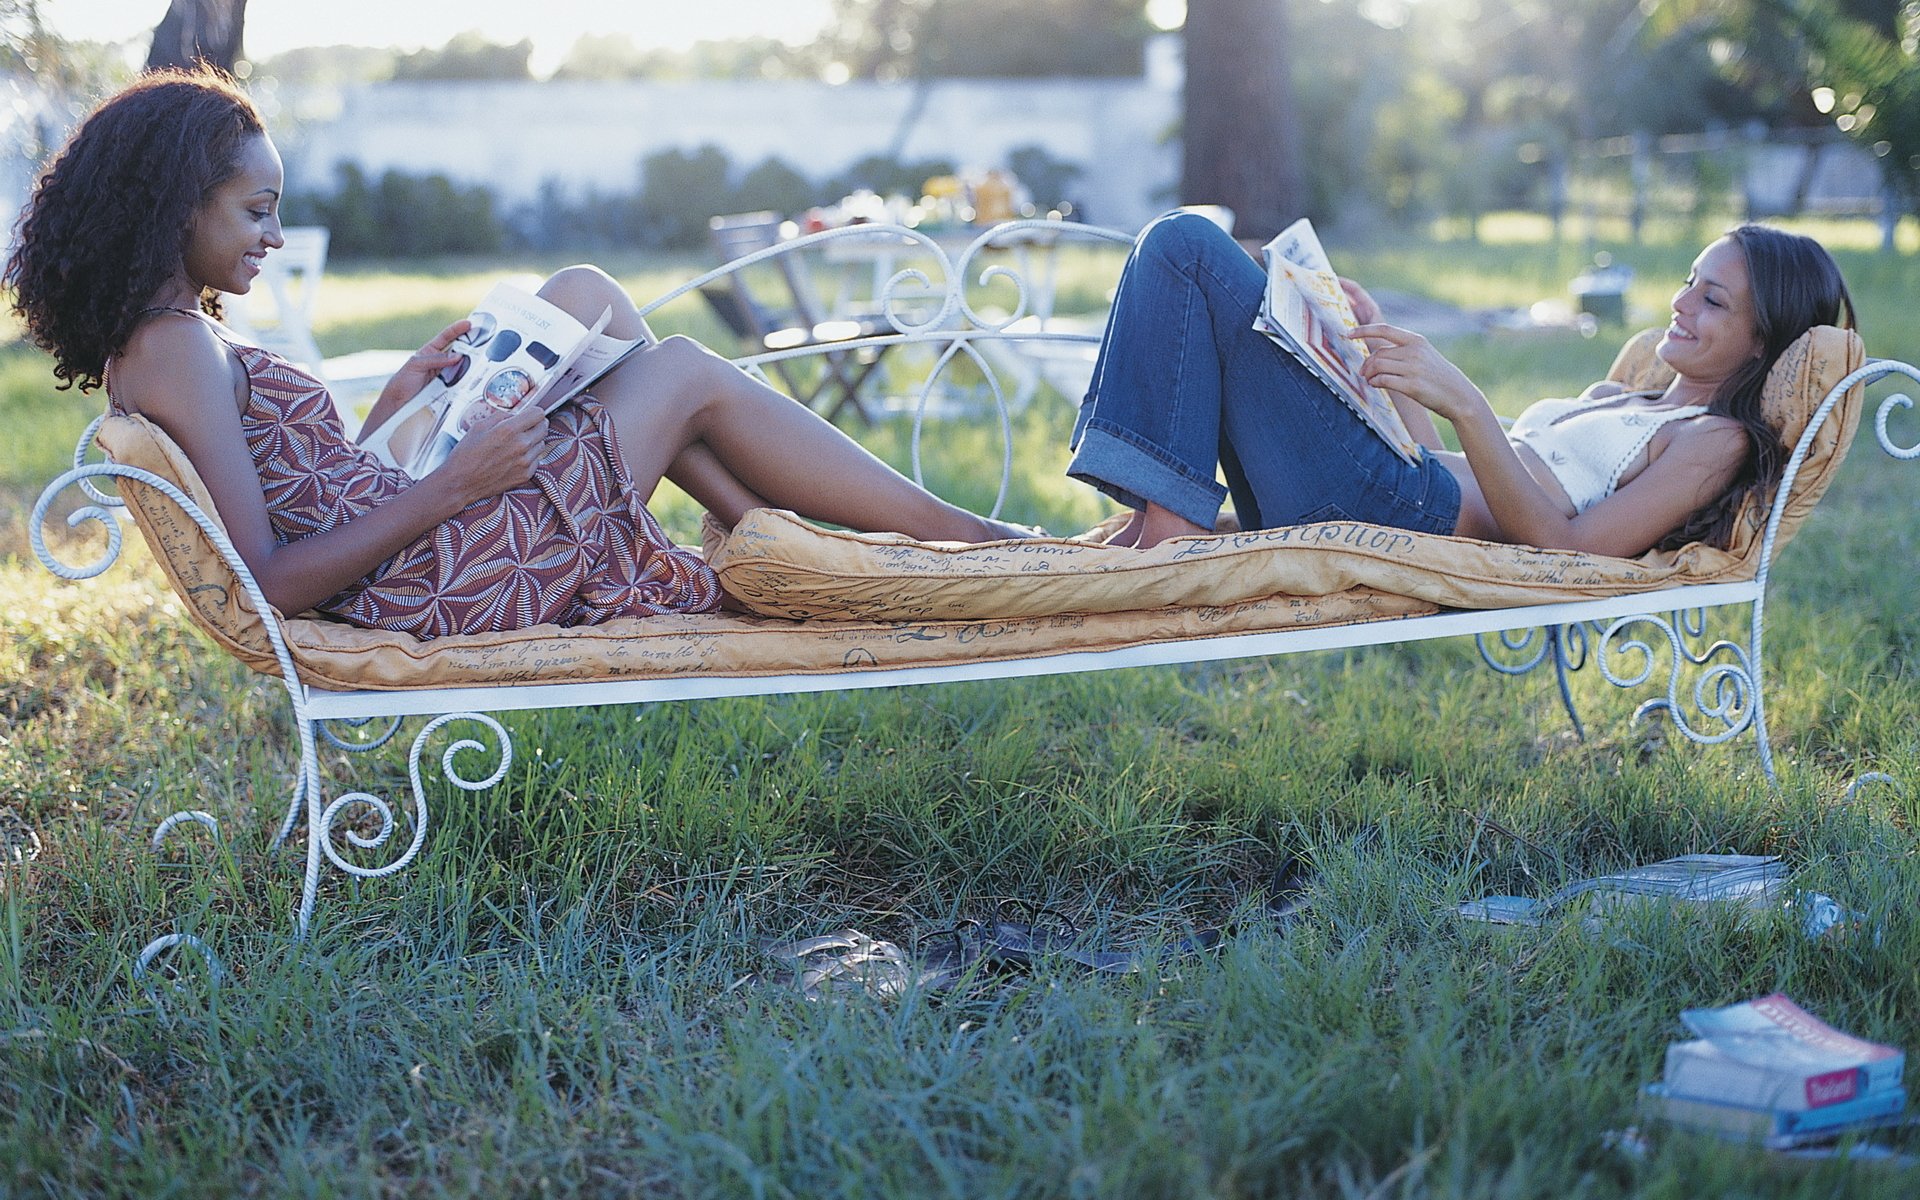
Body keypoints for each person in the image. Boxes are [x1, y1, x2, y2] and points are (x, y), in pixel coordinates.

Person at [7, 70, 1032, 640]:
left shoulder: (168, 339)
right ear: (177, 202)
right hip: (441, 580)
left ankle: (772, 532)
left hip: (420, 546)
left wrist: (404, 398)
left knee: (584, 295)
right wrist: (455, 484)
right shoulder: (177, 348)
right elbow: (274, 580)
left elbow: (299, 497)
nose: (271, 235)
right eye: (257, 211)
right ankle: (934, 531)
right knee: (677, 370)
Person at [1068, 210, 1856, 558]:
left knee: (1189, 248)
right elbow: (1444, 464)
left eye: (1712, 300)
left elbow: (1567, 546)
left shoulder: (1709, 442)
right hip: (1401, 485)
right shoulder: (1632, 398)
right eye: (1690, 280)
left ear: (1765, 339)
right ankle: (1162, 526)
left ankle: (1168, 529)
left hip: (1400, 504)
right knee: (1212, 267)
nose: (1679, 304)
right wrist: (1375, 357)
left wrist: (1467, 398)